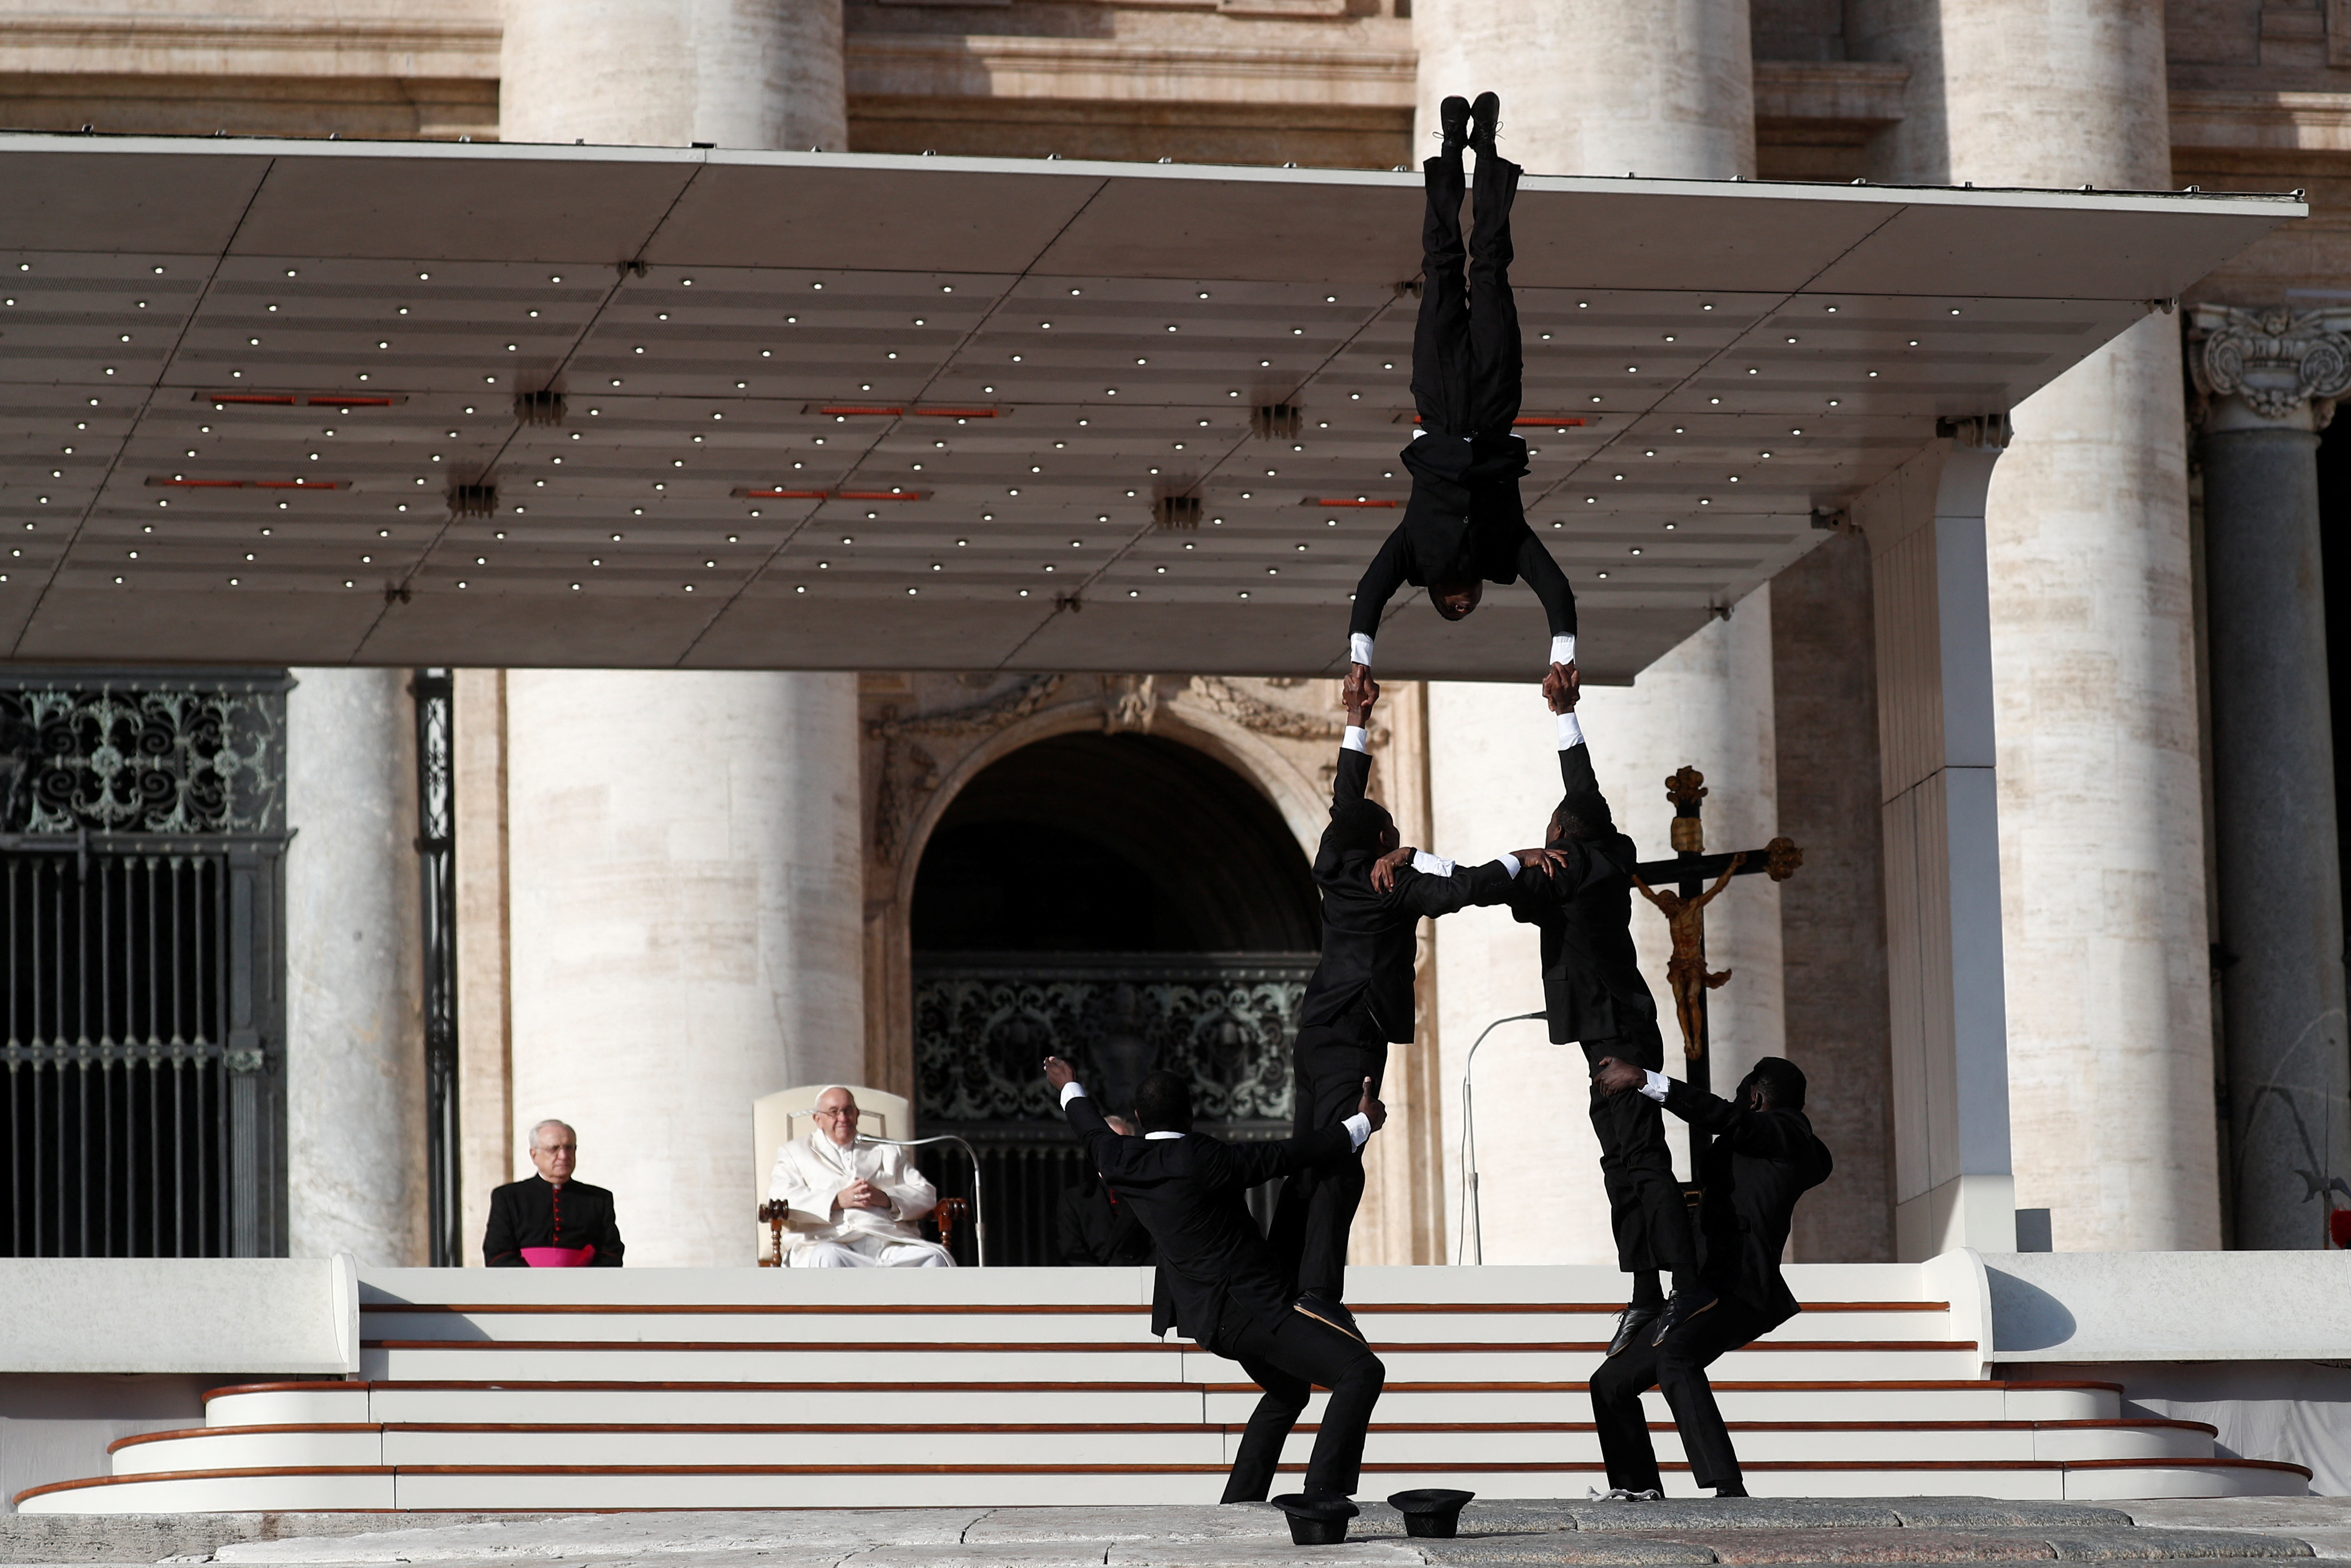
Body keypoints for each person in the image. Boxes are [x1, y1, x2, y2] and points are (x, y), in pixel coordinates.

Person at [1274, 666, 1553, 1337]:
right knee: (1342, 1159)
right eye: (1392, 833)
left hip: (1313, 1034)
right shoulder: (1390, 885)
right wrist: (1518, 858)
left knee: (1308, 1155)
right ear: (1382, 845)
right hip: (1353, 1037)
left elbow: (1345, 801)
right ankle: (1315, 1289)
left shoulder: (1331, 868)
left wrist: (1355, 721)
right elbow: (1468, 887)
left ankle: (1279, 1274)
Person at [1044, 1054, 1386, 1507]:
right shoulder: (1203, 1156)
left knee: (1288, 1391)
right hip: (1255, 1310)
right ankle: (1321, 1496)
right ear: (1190, 1115)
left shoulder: (1121, 1159)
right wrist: (1362, 1123)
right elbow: (1287, 1154)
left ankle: (1239, 1503)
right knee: (1361, 1371)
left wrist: (1069, 1086)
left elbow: (1087, 1126)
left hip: (1211, 1322)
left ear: (1141, 1119)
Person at [1346, 90, 1577, 707]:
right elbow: (1558, 592)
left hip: (1441, 406)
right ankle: (1489, 149)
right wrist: (1563, 656)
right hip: (1497, 404)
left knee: (1443, 267)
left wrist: (1359, 660)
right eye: (1467, 606)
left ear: (1434, 592)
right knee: (1493, 270)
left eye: (1451, 606)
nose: (1462, 601)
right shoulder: (1507, 551)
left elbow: (1369, 592)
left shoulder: (1413, 553)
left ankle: (1451, 149)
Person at [1507, 665, 1700, 1353]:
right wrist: (1566, 715)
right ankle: (1646, 1294)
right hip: (1605, 1035)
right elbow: (1583, 790)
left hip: (1619, 1032)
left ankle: (1686, 1288)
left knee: (1642, 1161)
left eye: (1551, 833)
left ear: (1564, 835)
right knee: (1620, 1164)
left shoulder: (1582, 867)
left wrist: (1452, 871)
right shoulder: (1591, 851)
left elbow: (1513, 879)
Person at [1585, 1054, 1833, 1499]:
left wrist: (1646, 1079)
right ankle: (1635, 1489)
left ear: (1755, 1099)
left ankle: (1727, 1489)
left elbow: (1724, 1117)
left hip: (1739, 1290)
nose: (1733, 1106)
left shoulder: (1789, 1133)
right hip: (1702, 1287)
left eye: (1740, 1099)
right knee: (1610, 1383)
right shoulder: (1756, 1147)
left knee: (1675, 1355)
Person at [766, 1086, 954, 1268]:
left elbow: (925, 1194)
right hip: (832, 1242)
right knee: (827, 1257)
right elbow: (779, 1196)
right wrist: (837, 1200)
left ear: (857, 1115)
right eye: (834, 1112)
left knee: (934, 1257)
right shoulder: (796, 1152)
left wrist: (886, 1199)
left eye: (848, 1111)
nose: (843, 1118)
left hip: (886, 1244)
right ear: (818, 1119)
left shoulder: (886, 1149)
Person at [484, 1118, 624, 1267]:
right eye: (554, 1149)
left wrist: (584, 1280)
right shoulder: (509, 1197)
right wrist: (532, 1281)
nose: (564, 1156)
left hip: (584, 1286)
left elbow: (611, 1252)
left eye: (569, 1148)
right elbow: (498, 1252)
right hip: (525, 1286)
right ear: (534, 1155)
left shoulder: (598, 1199)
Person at [1057, 1112, 1155, 1266]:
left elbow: (1158, 1247)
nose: (1113, 1149)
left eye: (1119, 1143)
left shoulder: (1147, 1196)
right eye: (1105, 1143)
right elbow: (1072, 1252)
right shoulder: (1075, 1200)